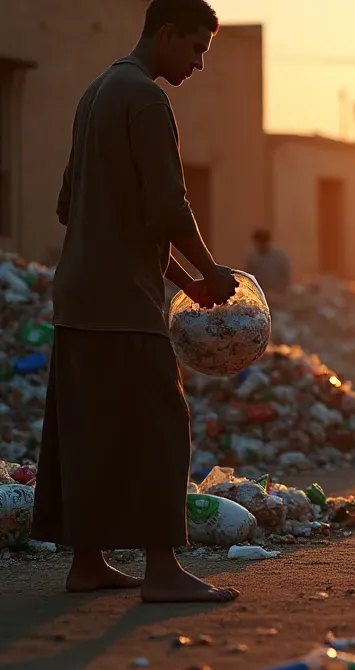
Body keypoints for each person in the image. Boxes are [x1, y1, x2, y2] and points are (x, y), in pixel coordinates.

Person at [34, 0, 241, 602]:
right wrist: (210, 270)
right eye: (196, 48)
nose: (199, 63)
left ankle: (89, 563)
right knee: (161, 428)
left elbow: (71, 206)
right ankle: (162, 570)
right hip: (122, 302)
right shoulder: (148, 100)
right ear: (167, 33)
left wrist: (181, 282)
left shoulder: (96, 92)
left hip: (78, 293)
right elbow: (167, 208)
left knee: (87, 429)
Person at [245, 227, 290, 295]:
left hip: (278, 294)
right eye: (259, 242)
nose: (261, 244)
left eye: (263, 241)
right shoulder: (252, 258)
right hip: (259, 293)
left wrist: (281, 291)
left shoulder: (279, 257)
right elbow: (249, 276)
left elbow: (285, 275)